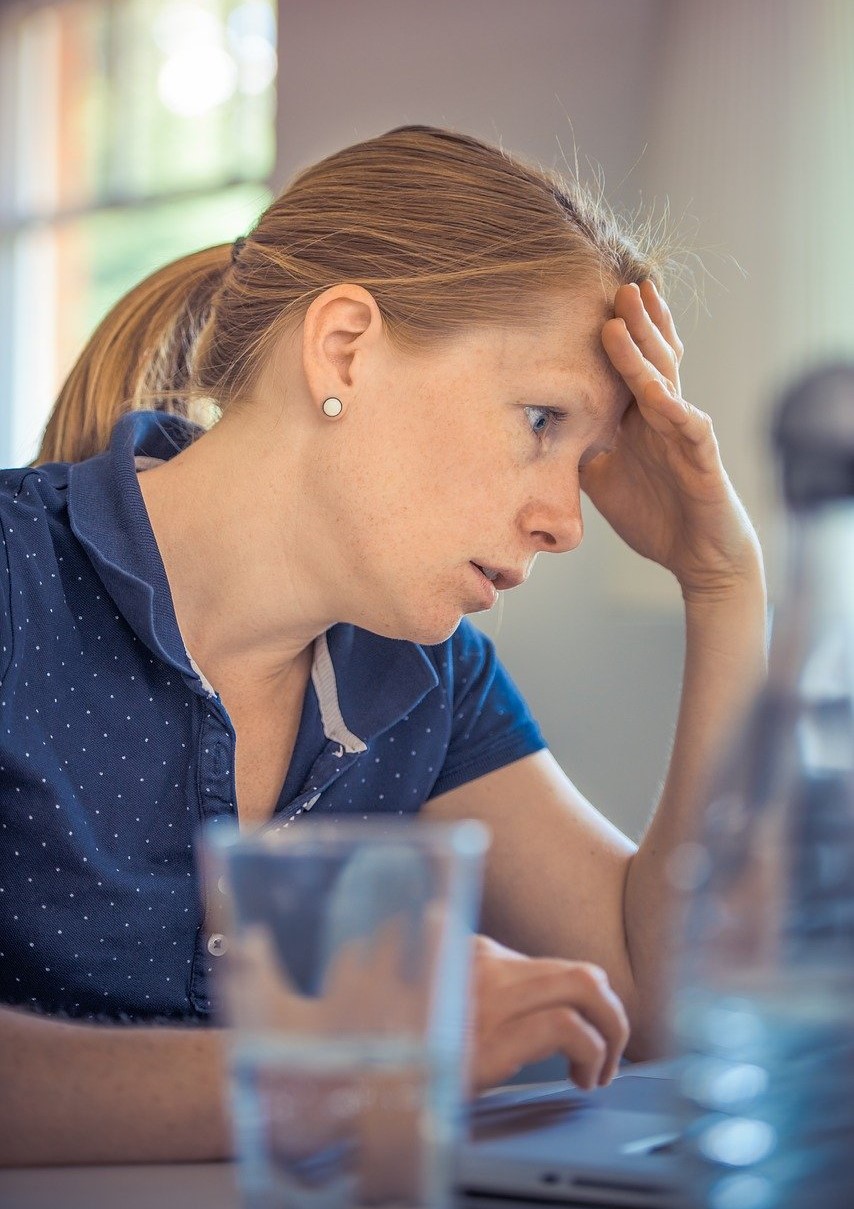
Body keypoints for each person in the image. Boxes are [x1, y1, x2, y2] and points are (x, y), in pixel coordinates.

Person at [0, 124, 766, 1165]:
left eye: (585, 460)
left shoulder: (424, 677)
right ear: (344, 348)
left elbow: (660, 1000)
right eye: (541, 420)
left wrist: (723, 585)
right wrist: (353, 1067)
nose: (565, 523)